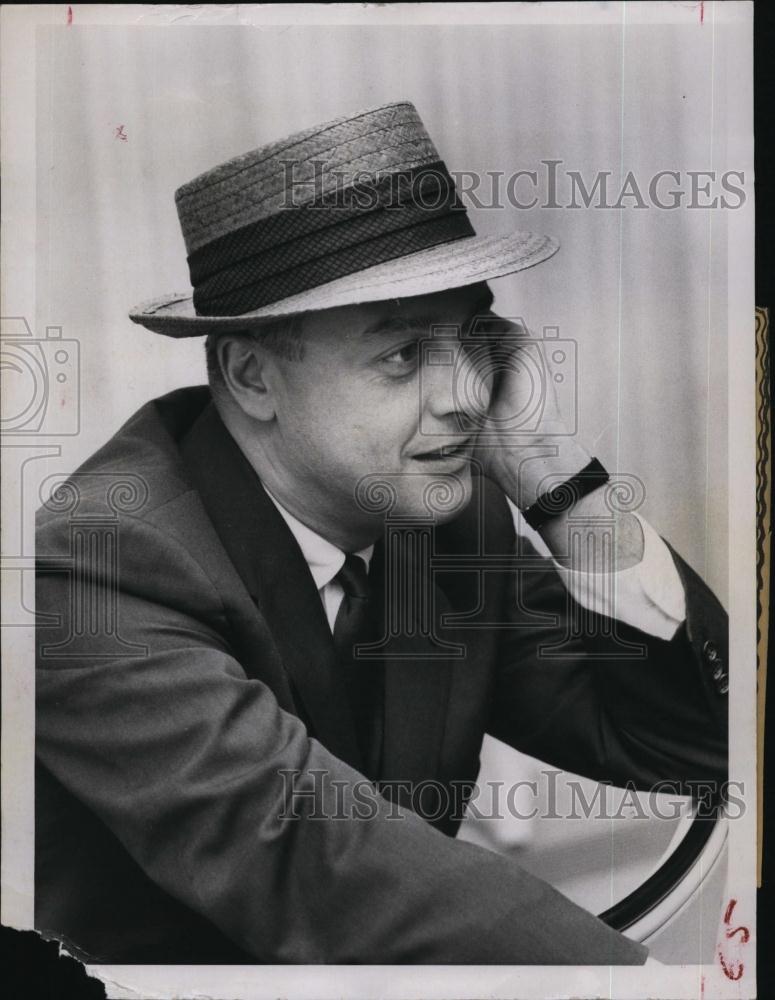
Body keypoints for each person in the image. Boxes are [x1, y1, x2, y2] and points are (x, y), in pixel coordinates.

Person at [34, 101, 728, 965]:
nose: (465, 396)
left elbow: (693, 750)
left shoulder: (439, 519)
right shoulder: (96, 567)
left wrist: (561, 486)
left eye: (473, 340)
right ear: (250, 374)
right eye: (400, 355)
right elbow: (323, 863)